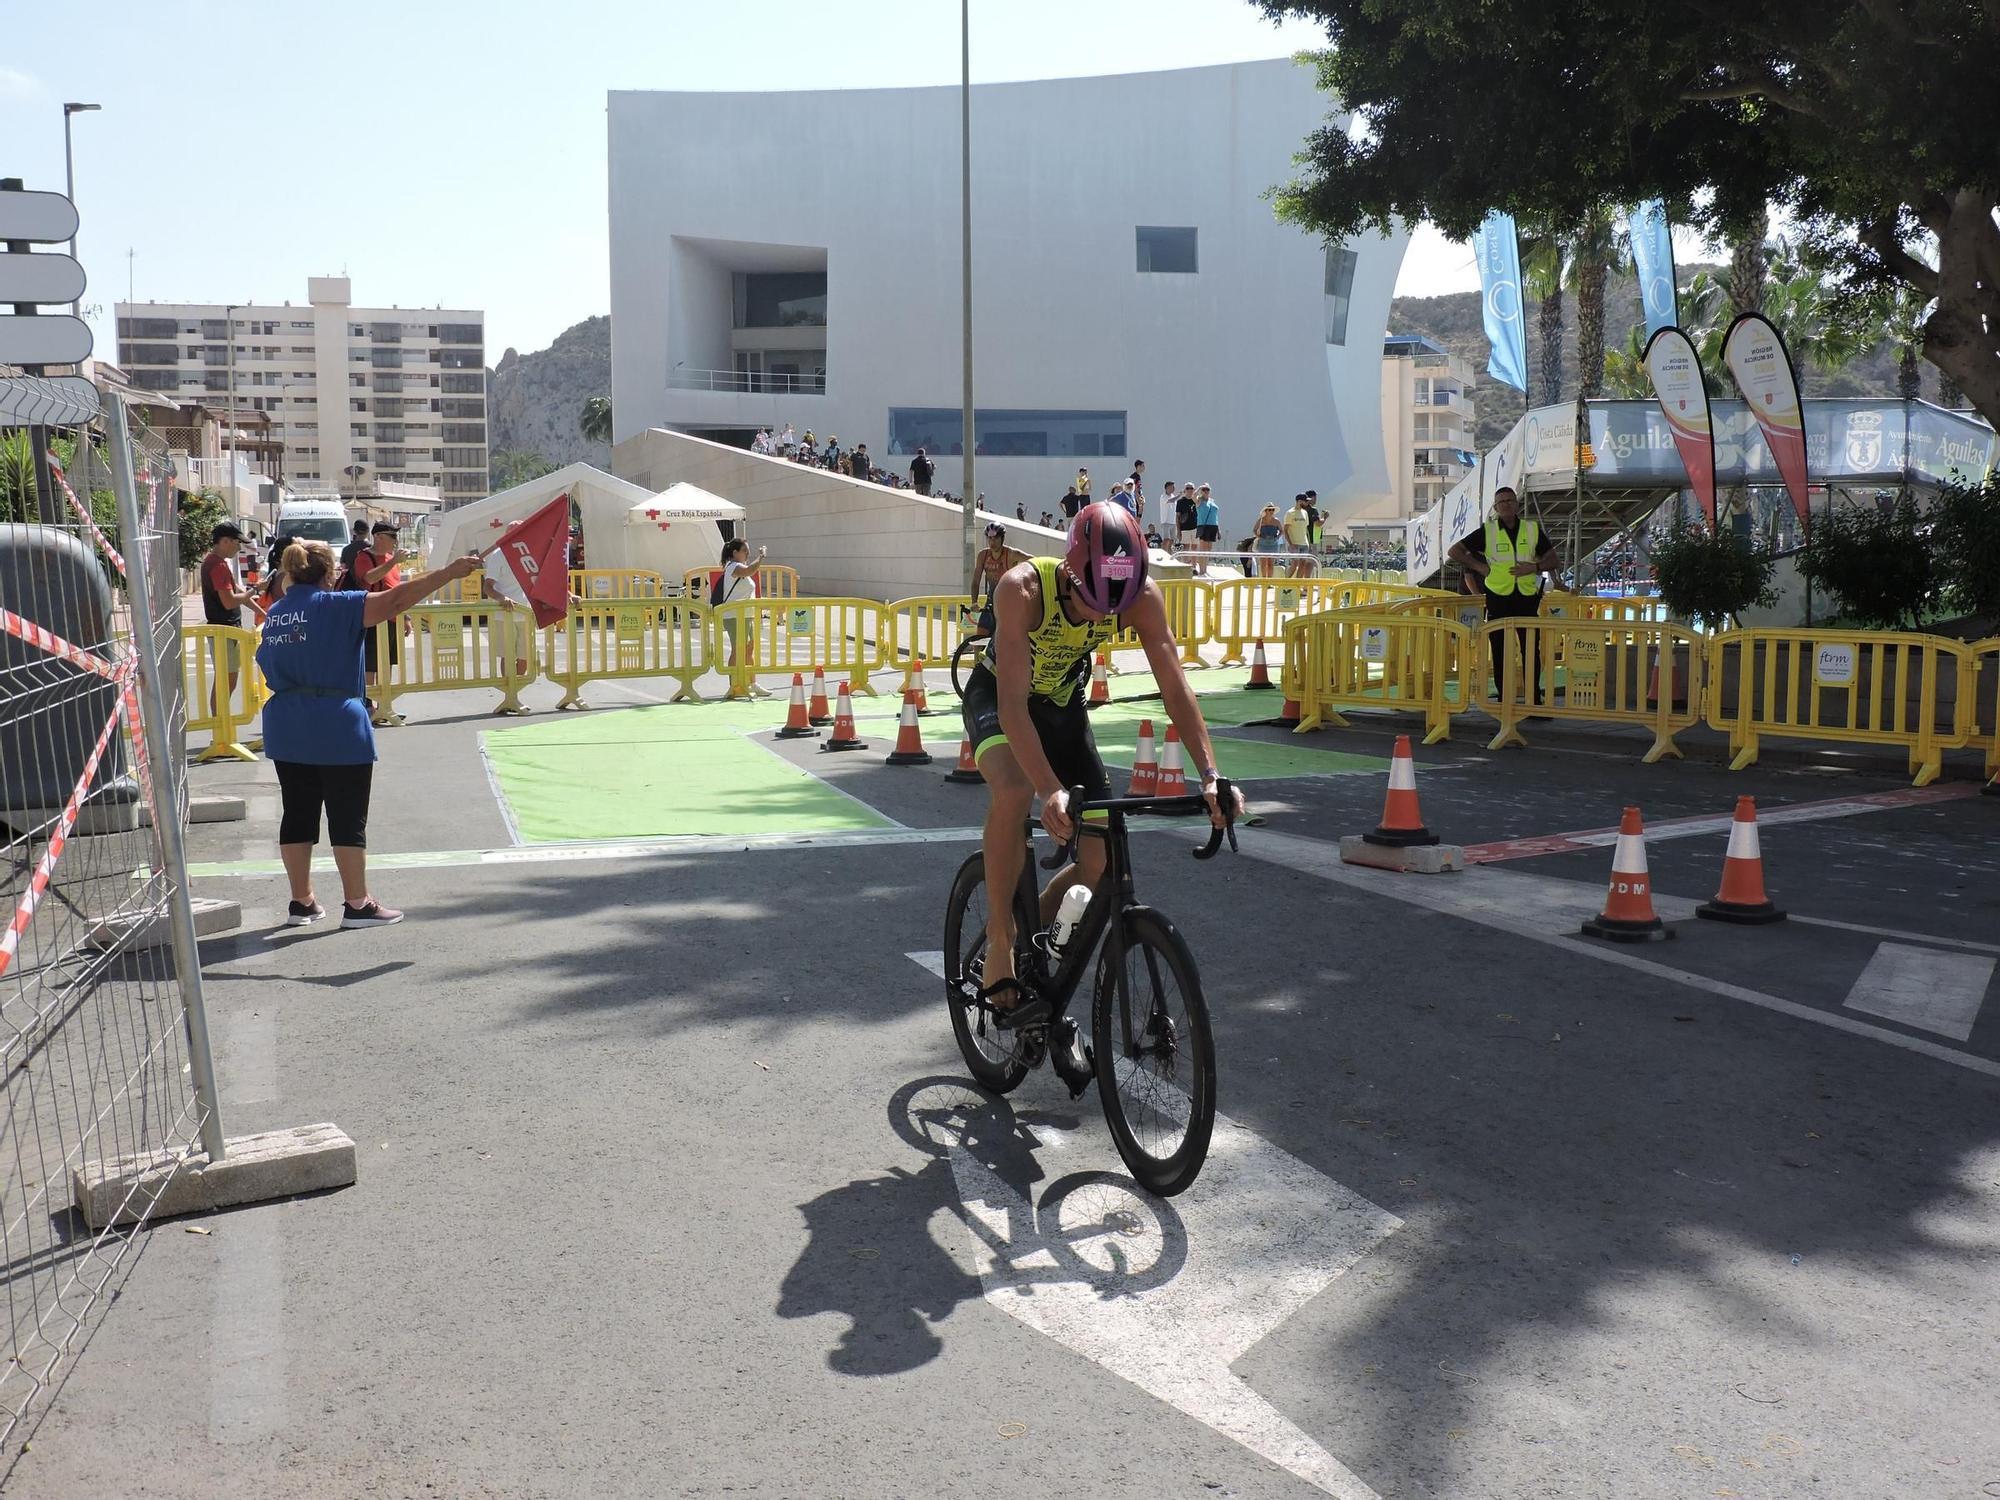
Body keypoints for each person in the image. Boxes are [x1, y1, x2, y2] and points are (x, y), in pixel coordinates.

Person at [963, 501, 1241, 1038]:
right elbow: (1015, 708)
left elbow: (1173, 683)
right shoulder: (1021, 590)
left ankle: (1031, 928)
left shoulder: (1138, 594)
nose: (1101, 617)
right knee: (1017, 788)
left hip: (1064, 710)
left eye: (1112, 609)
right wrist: (1050, 789)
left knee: (1101, 860)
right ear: (1071, 572)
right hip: (1002, 701)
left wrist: (1210, 774)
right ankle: (1000, 936)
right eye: (1092, 604)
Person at [256, 539, 483, 928]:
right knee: (346, 816)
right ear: (332, 573)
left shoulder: (276, 612)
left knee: (297, 812)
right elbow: (397, 600)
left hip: (287, 721)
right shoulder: (341, 606)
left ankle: (302, 902)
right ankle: (357, 904)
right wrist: (448, 573)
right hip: (337, 721)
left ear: (291, 573)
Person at [1449, 485, 1562, 704]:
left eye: (1510, 501)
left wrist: (1534, 568)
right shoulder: (1488, 530)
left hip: (1527, 597)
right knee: (1500, 649)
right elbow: (1454, 551)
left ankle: (1533, 698)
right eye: (1502, 502)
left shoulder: (1532, 529)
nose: (1506, 505)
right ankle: (1504, 698)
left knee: (1530, 649)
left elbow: (1553, 560)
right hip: (1498, 597)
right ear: (1496, 507)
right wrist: (1479, 567)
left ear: (1517, 504)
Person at [199, 522, 253, 716]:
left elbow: (238, 592)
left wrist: (260, 609)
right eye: (236, 543)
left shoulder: (215, 562)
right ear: (224, 541)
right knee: (226, 680)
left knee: (227, 679)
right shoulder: (218, 565)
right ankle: (220, 726)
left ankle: (220, 725)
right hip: (224, 630)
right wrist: (253, 592)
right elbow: (230, 601)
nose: (239, 548)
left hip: (225, 629)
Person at [356, 522, 404, 722]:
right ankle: (368, 705)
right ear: (379, 537)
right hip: (372, 617)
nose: (395, 542)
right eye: (392, 537)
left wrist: (406, 617)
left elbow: (397, 588)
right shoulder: (364, 557)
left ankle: (384, 705)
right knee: (370, 664)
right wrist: (392, 563)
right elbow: (368, 577)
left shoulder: (391, 559)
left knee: (388, 662)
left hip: (391, 618)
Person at [713, 536, 768, 688]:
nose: (747, 554)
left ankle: (752, 683)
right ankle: (734, 685)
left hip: (746, 614)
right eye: (745, 551)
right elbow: (750, 570)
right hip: (734, 615)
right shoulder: (732, 567)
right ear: (735, 552)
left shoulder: (737, 566)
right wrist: (761, 557)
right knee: (738, 649)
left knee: (749, 648)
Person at [967, 522, 1027, 637]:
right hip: (991, 601)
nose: (992, 542)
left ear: (1002, 538)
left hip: (1009, 602)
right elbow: (975, 581)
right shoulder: (983, 555)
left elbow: (1035, 561)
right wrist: (974, 602)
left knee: (1005, 638)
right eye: (989, 539)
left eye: (995, 538)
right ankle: (979, 655)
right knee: (979, 638)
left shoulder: (1011, 554)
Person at [1282, 494, 1314, 578]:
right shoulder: (1290, 513)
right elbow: (1285, 530)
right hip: (1294, 543)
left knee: (1303, 564)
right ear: (1299, 501)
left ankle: (1297, 584)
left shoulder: (1305, 512)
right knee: (1294, 563)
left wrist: (1309, 544)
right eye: (1306, 501)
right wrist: (1290, 544)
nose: (1307, 503)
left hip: (1304, 543)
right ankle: (1286, 584)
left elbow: (1306, 530)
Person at [336, 517, 370, 589]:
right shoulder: (372, 548)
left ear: (354, 531)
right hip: (369, 587)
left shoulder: (346, 549)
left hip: (350, 587)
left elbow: (343, 568)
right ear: (368, 531)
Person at [1194, 485, 1220, 575]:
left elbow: (1215, 516)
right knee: (1203, 549)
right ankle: (1201, 570)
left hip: (1213, 526)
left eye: (1207, 490)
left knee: (1209, 549)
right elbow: (1193, 495)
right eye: (1204, 490)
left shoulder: (1212, 501)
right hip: (1203, 526)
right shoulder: (1199, 501)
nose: (1206, 491)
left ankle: (1205, 569)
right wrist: (1200, 487)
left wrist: (1218, 530)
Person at [1254, 503, 1285, 577]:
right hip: (1263, 543)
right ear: (1266, 511)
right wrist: (1258, 536)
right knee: (1263, 563)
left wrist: (1277, 537)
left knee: (1271, 563)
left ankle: (1269, 580)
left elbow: (1281, 530)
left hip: (1273, 543)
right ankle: (1264, 580)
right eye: (1270, 510)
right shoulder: (1261, 520)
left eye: (1273, 510)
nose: (1271, 511)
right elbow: (1255, 529)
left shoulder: (1276, 521)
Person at [1126, 460, 1146, 525]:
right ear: (1138, 466)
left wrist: (1142, 497)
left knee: (1139, 517)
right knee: (1135, 518)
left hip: (1138, 499)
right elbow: (1134, 489)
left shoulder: (1138, 476)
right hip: (1134, 500)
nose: (1144, 468)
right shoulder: (1134, 476)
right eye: (1143, 466)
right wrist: (1138, 500)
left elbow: (1139, 489)